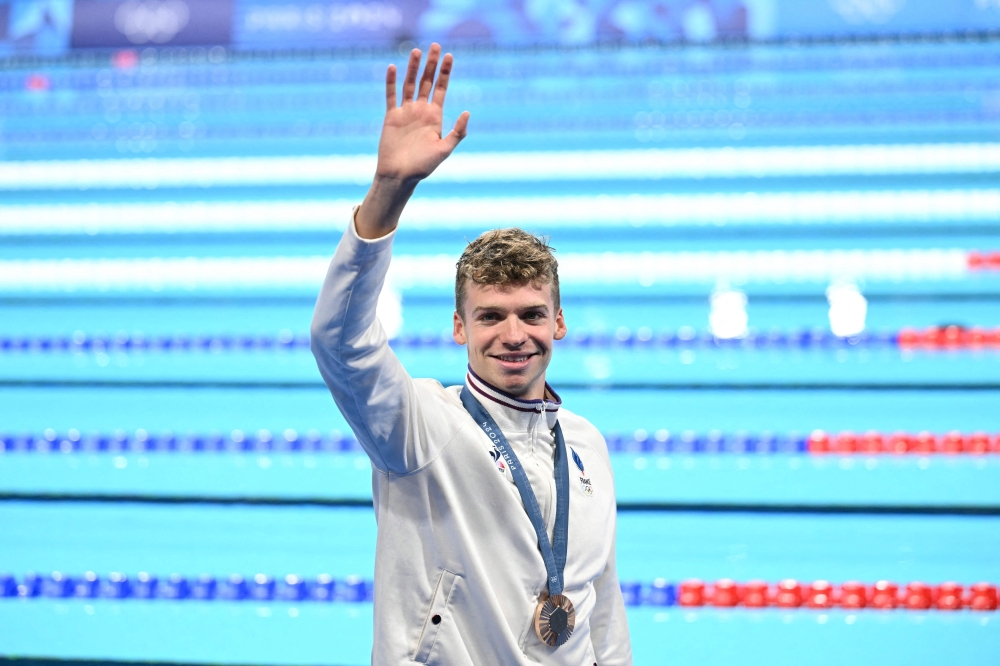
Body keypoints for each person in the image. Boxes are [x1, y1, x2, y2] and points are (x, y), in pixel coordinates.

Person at [311, 43, 632, 665]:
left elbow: (604, 610)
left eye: (532, 314)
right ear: (460, 327)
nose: (514, 334)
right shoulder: (421, 426)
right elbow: (341, 343)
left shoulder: (588, 444)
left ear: (558, 322)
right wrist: (388, 192)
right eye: (491, 316)